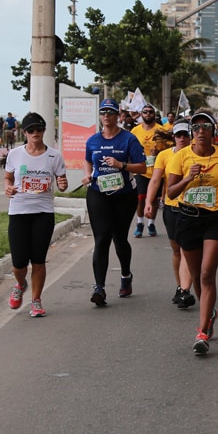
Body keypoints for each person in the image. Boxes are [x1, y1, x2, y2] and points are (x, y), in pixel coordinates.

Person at [166, 111, 218, 355]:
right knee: (196, 276)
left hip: (215, 219)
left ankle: (202, 331)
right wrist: (188, 178)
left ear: (213, 131)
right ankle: (210, 313)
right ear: (191, 133)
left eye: (205, 126)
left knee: (207, 274)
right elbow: (171, 193)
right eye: (195, 128)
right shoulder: (181, 157)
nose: (200, 131)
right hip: (187, 218)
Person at [81, 98, 147, 306]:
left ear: (118, 115)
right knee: (101, 239)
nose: (107, 116)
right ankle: (99, 288)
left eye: (110, 112)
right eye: (103, 113)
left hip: (124, 195)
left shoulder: (129, 140)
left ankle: (126, 275)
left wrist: (121, 164)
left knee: (119, 239)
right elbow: (87, 159)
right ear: (99, 116)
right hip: (98, 193)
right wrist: (87, 174)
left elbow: (142, 168)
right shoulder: (92, 140)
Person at [3, 112, 68, 318]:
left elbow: (62, 181)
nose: (35, 133)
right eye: (31, 130)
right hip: (19, 211)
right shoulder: (15, 154)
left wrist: (63, 184)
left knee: (39, 260)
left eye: (39, 129)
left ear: (44, 131)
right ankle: (20, 284)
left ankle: (36, 300)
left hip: (43, 212)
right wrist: (8, 188)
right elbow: (8, 178)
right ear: (24, 132)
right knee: (19, 262)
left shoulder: (54, 156)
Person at [144, 121, 195, 309]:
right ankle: (179, 285)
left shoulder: (197, 154)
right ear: (173, 137)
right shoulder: (164, 156)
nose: (182, 139)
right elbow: (155, 180)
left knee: (185, 248)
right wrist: (149, 202)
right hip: (171, 208)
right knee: (176, 249)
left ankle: (185, 290)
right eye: (179, 135)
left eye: (185, 135)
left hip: (191, 208)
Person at [130, 104, 163, 238]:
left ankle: (151, 223)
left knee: (154, 199)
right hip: (141, 169)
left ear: (154, 115)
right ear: (141, 114)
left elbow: (169, 150)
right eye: (145, 112)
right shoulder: (135, 131)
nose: (148, 114)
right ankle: (139, 222)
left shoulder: (161, 130)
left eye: (150, 112)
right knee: (140, 197)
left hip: (156, 170)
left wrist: (159, 152)